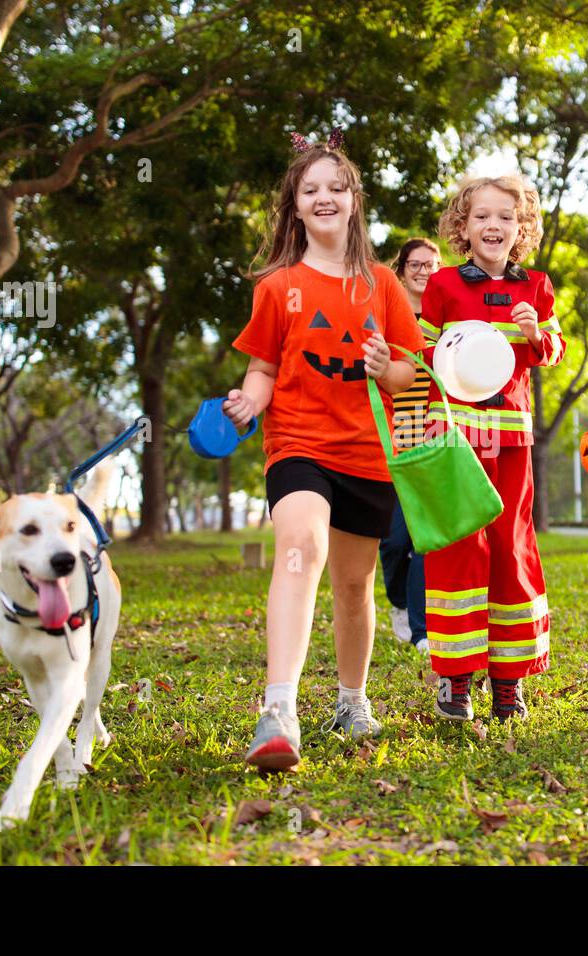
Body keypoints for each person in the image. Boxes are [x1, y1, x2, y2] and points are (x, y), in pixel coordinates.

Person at [224, 131, 424, 771]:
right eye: (311, 190)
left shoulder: (385, 284)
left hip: (368, 452)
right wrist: (252, 400)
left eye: (337, 187)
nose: (325, 197)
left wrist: (385, 364)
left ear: (354, 200)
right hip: (298, 444)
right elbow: (262, 367)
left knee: (353, 584)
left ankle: (351, 699)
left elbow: (412, 377)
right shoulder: (277, 285)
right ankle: (278, 709)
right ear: (296, 205)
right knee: (299, 549)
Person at [419, 174, 566, 723]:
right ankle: (456, 679)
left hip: (512, 437)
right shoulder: (443, 287)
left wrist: (536, 335)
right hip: (456, 432)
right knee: (460, 544)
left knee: (510, 544)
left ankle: (509, 680)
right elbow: (422, 357)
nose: (493, 226)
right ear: (463, 226)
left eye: (505, 216)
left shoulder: (536, 286)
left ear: (521, 227)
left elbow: (552, 351)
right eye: (481, 216)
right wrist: (429, 422)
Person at [378, 238, 442, 654]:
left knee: (422, 539)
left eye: (432, 264)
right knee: (393, 540)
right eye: (415, 264)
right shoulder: (386, 315)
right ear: (401, 270)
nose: (424, 270)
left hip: (432, 440)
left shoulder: (447, 317)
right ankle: (398, 601)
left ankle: (421, 630)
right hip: (388, 436)